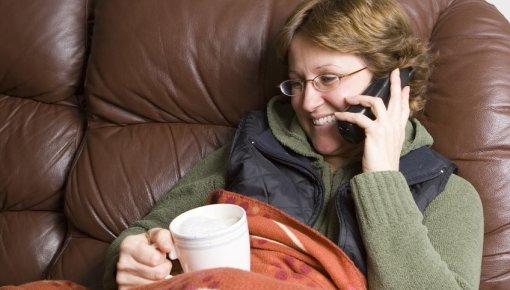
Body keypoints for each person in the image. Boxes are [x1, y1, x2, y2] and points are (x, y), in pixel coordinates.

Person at [104, 0, 484, 289]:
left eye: (328, 79)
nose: (305, 102)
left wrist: (383, 179)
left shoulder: (447, 193)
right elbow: (146, 230)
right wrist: (132, 254)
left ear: (392, 83)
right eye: (298, 82)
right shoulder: (255, 146)